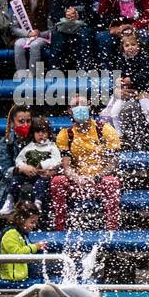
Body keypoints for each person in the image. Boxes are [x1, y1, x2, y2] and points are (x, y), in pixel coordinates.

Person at [50, 97, 121, 231]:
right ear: (69, 111)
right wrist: (78, 179)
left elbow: (113, 163)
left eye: (83, 104)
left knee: (112, 182)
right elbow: (67, 167)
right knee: (57, 181)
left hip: (99, 181)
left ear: (90, 107)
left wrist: (96, 178)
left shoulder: (105, 130)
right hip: (77, 183)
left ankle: (112, 230)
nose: (80, 107)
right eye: (75, 105)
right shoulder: (65, 135)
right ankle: (59, 229)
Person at [9, 119, 61, 218]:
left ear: (48, 133)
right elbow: (19, 160)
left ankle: (38, 203)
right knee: (16, 180)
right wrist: (24, 167)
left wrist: (43, 164)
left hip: (43, 176)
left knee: (39, 183)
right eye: (38, 132)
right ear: (33, 134)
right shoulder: (29, 147)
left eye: (44, 132)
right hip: (28, 175)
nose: (41, 134)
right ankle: (9, 200)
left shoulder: (52, 147)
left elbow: (57, 160)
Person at [10, 0, 51, 75]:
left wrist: (40, 33)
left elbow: (53, 27)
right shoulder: (18, 3)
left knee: (35, 45)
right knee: (18, 44)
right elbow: (13, 27)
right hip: (25, 36)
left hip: (43, 37)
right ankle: (21, 75)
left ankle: (33, 76)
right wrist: (28, 33)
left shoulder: (48, 2)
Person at [0, 202, 49, 284]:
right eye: (32, 222)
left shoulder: (21, 232)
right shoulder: (10, 233)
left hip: (22, 275)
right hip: (13, 278)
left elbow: (27, 248)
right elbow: (16, 253)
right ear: (21, 220)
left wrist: (38, 247)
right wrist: (35, 247)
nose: (34, 225)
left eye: (35, 222)